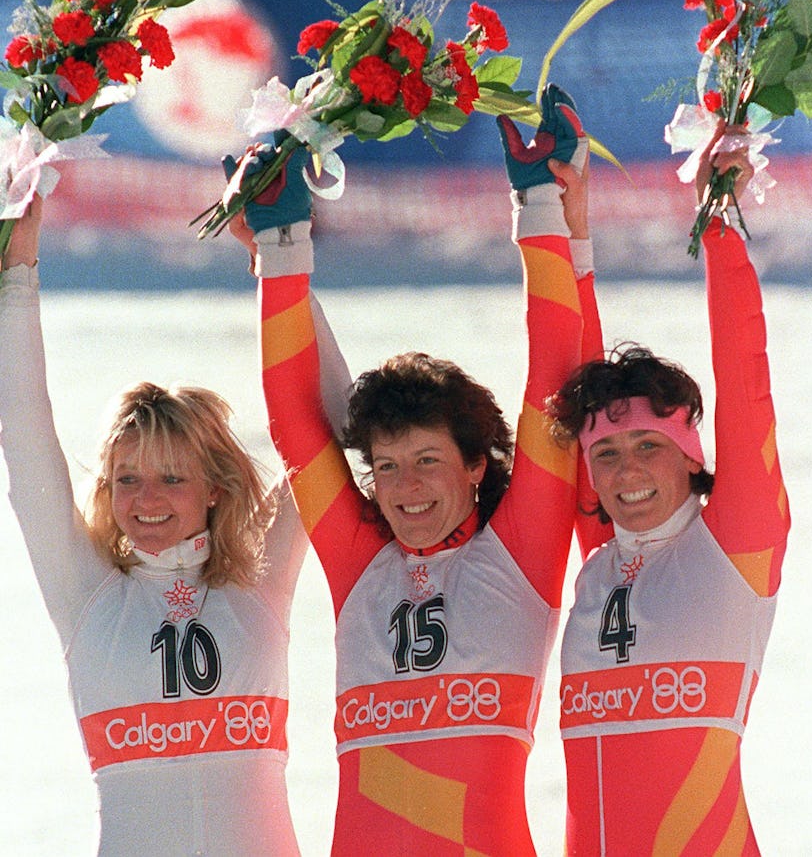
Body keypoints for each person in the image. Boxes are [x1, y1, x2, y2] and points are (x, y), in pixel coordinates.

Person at [228, 84, 602, 855]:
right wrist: (281, 248)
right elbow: (298, 429)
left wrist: (539, 208)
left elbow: (554, 387)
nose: (405, 487)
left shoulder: (520, 553)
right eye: (389, 466)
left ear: (475, 467)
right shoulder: (360, 562)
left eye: (428, 461)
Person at [0, 196, 350, 855]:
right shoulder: (86, 594)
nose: (146, 500)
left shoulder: (259, 578)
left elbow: (332, 425)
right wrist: (18, 272)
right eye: (127, 479)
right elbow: (24, 437)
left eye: (171, 478)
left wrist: (280, 263)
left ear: (215, 488)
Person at [548, 126, 790, 854]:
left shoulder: (736, 543)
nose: (626, 473)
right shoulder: (604, 554)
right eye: (607, 454)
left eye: (649, 447)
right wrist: (572, 237)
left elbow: (745, 378)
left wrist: (717, 225)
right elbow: (573, 390)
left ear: (690, 457)